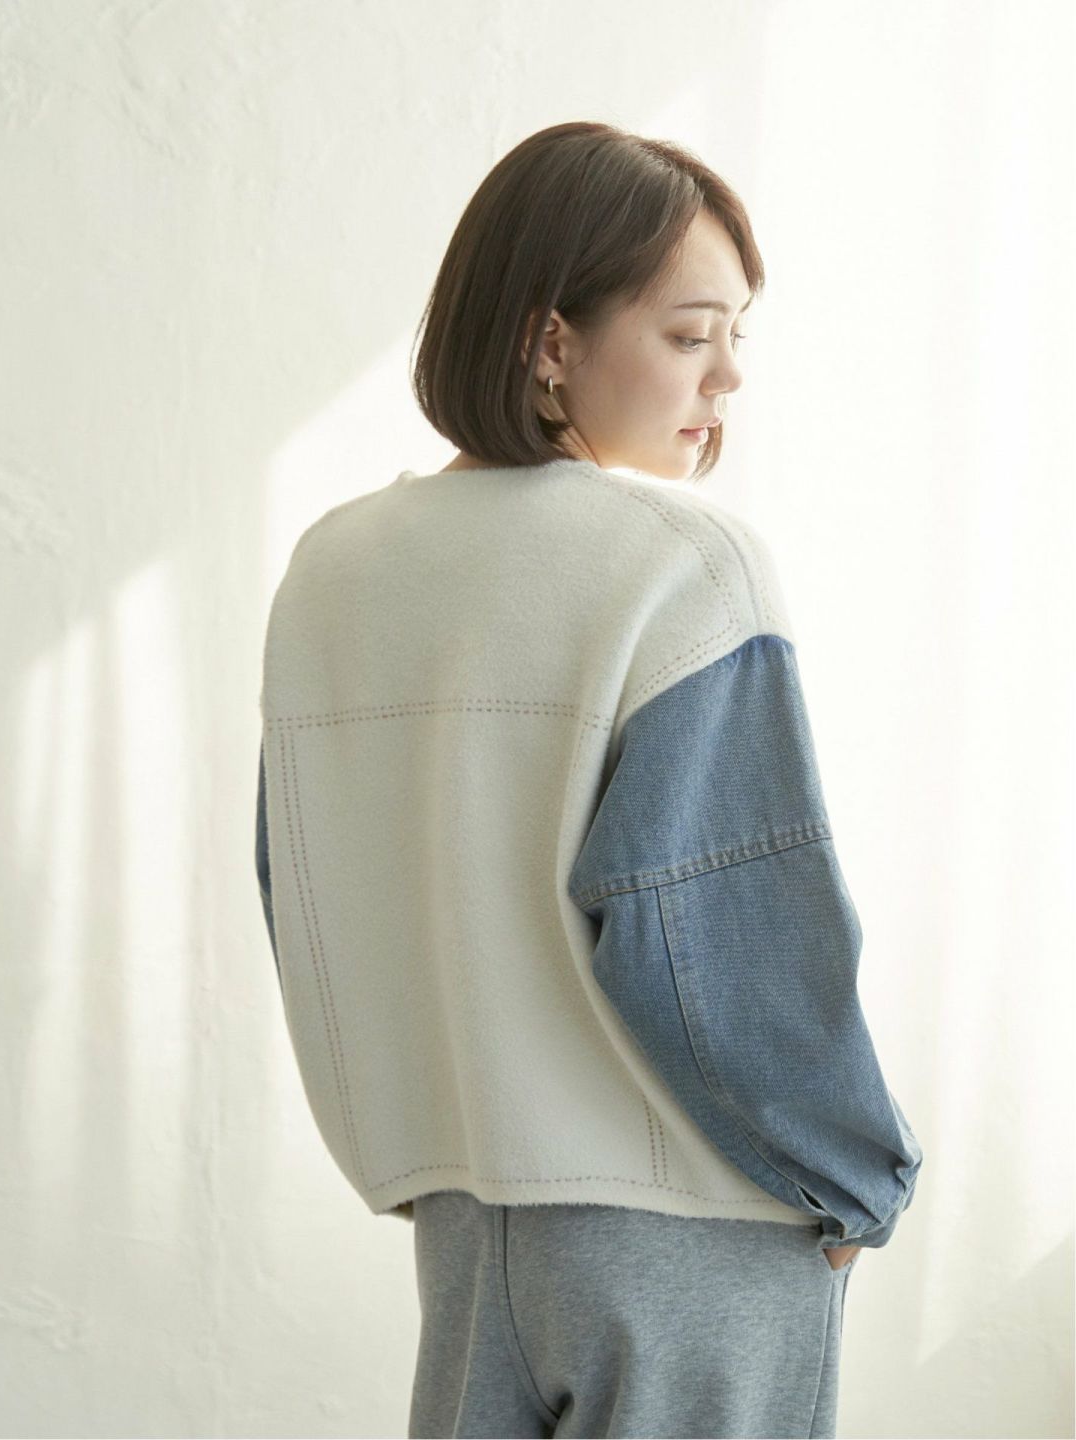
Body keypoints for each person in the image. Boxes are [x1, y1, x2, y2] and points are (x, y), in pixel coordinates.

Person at [256, 120, 923, 1439]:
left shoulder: (330, 572)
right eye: (688, 334)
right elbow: (720, 923)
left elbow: (309, 904)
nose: (728, 375)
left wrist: (424, 1156)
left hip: (467, 1228)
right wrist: (856, 1172)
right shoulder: (683, 563)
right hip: (694, 1234)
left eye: (737, 334)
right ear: (549, 340)